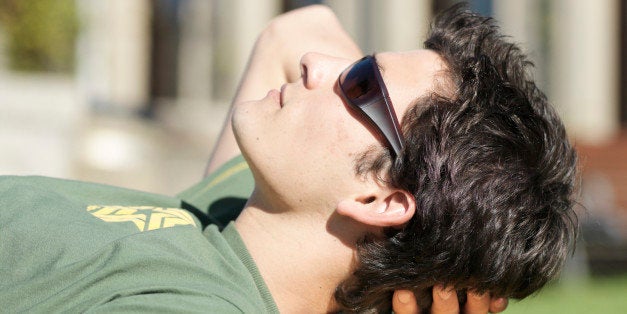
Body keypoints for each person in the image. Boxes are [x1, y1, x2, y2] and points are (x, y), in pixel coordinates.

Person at [0, 3, 574, 314]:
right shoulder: (228, 213)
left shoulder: (199, 301)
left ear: (380, 198)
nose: (315, 64)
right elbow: (299, 26)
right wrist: (426, 258)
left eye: (359, 84)